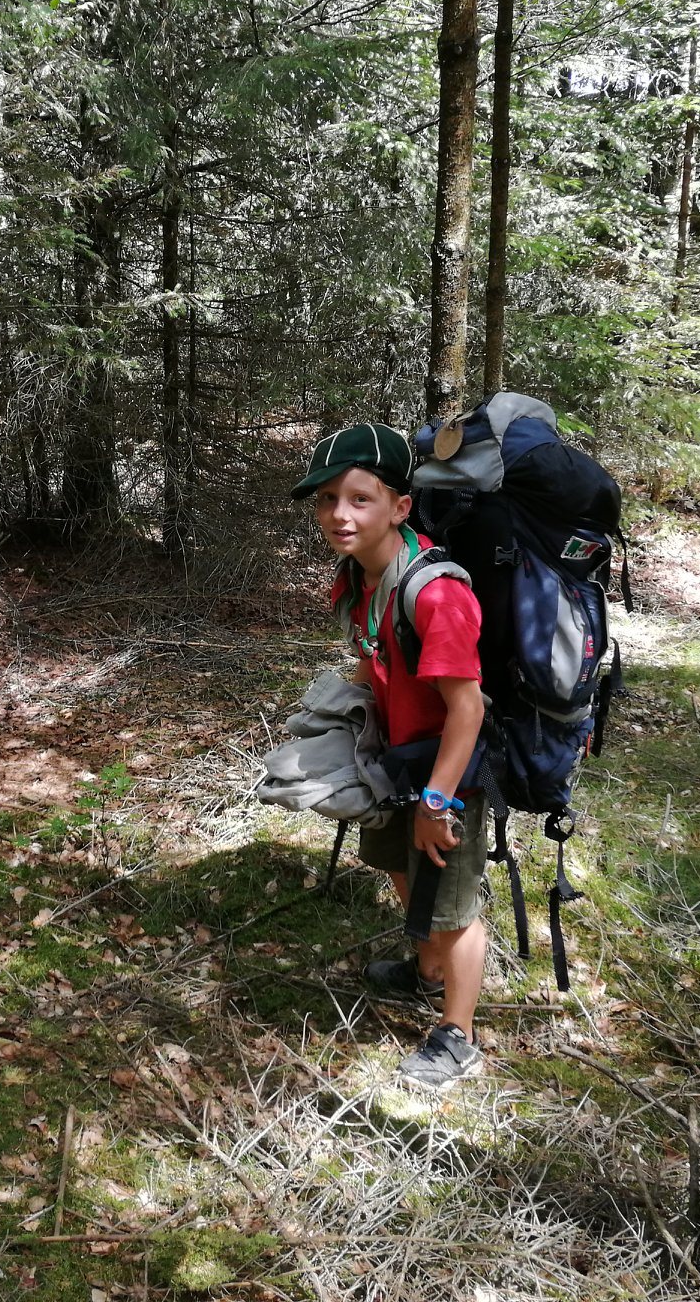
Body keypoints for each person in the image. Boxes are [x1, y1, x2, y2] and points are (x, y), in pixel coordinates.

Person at [291, 423, 490, 1089]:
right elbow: (370, 661)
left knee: (454, 908)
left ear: (401, 507)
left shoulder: (437, 593)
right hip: (392, 761)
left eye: (359, 499)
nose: (338, 516)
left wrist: (438, 800)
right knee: (396, 867)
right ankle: (425, 973)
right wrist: (333, 725)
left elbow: (468, 709)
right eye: (325, 500)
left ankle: (458, 1036)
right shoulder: (358, 577)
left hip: (447, 771)